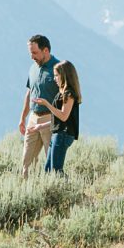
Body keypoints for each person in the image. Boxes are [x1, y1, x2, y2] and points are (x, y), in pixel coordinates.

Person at [18, 34, 59, 178]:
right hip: (33, 118)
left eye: (34, 53)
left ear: (45, 51)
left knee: (52, 161)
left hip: (50, 120)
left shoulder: (58, 68)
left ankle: (52, 190)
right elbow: (29, 93)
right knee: (27, 161)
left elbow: (65, 98)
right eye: (30, 53)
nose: (32, 57)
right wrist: (23, 118)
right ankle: (27, 191)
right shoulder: (33, 68)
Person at [32, 60, 81, 174]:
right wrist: (41, 125)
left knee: (56, 170)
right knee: (48, 169)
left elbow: (63, 116)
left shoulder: (69, 94)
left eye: (56, 76)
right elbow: (58, 119)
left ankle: (67, 190)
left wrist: (46, 104)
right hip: (58, 134)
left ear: (64, 76)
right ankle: (58, 189)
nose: (54, 79)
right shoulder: (61, 94)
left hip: (63, 135)